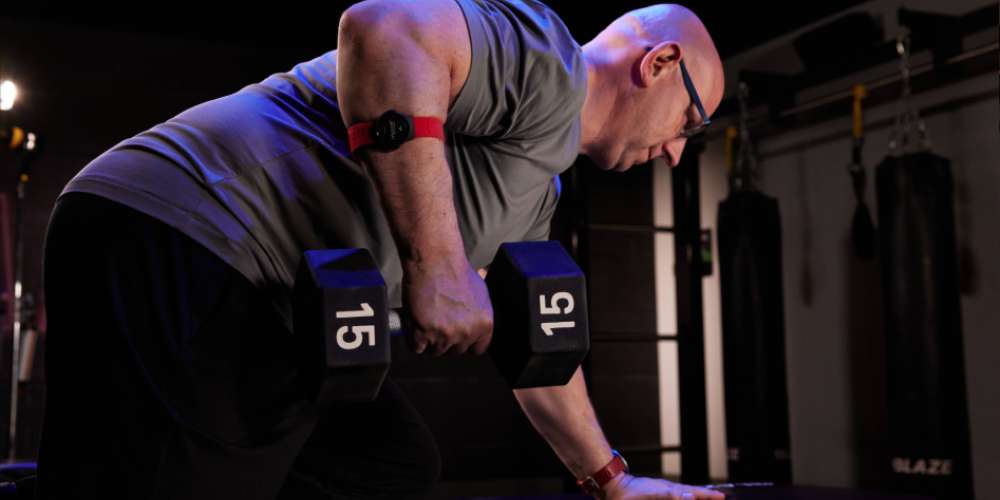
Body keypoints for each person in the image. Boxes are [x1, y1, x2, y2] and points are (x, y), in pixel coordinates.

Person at [37, 0, 725, 498]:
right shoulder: (548, 62)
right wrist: (440, 264)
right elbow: (385, 27)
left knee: (384, 464)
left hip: (253, 291)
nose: (671, 152)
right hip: (176, 227)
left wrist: (610, 480)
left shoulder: (535, 192)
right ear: (660, 62)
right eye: (687, 123)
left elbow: (537, 356)